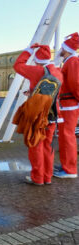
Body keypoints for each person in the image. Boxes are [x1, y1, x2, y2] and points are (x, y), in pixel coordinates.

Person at [12, 44, 63, 186]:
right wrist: (33, 91)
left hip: (37, 115)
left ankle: (37, 177)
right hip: (52, 114)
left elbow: (18, 65)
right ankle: (47, 177)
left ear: (37, 59)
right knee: (48, 146)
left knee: (35, 145)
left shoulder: (36, 71)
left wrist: (29, 50)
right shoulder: (58, 72)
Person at [53, 32, 79, 179]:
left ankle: (70, 169)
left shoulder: (73, 61)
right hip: (66, 104)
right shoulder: (70, 61)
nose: (60, 50)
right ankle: (66, 165)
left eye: (62, 47)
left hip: (70, 105)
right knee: (64, 136)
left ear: (66, 48)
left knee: (67, 137)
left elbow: (76, 84)